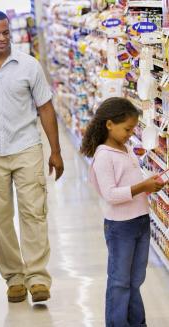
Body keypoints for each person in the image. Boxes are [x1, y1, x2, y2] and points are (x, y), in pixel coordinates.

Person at [0, 10, 64, 303]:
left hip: (27, 148)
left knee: (34, 212)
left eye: (6, 32)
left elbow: (45, 107)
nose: (2, 38)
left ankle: (37, 277)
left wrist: (55, 151)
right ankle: (15, 278)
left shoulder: (28, 65)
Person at [80, 97, 165, 327]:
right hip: (120, 227)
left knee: (135, 280)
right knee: (119, 282)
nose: (130, 133)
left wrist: (149, 183)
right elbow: (111, 195)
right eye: (127, 129)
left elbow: (130, 183)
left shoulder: (125, 149)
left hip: (140, 222)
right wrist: (143, 187)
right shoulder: (104, 155)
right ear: (109, 125)